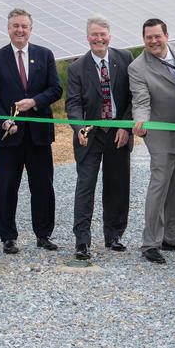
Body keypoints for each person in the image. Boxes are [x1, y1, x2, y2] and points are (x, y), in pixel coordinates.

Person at [0, 8, 63, 254]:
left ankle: (44, 235)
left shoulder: (45, 54)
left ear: (31, 29)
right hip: (9, 135)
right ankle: (8, 237)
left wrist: (35, 101)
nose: (20, 30)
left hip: (39, 135)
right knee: (7, 187)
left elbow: (56, 89)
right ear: (8, 28)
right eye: (15, 26)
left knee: (42, 187)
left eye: (24, 26)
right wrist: (4, 120)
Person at [65, 15, 134, 261]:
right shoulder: (76, 68)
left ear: (109, 36)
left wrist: (126, 127)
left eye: (103, 34)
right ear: (87, 38)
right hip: (90, 134)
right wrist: (79, 127)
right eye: (94, 35)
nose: (99, 39)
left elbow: (132, 97)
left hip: (118, 131)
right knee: (85, 187)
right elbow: (72, 104)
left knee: (117, 186)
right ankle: (82, 241)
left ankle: (114, 235)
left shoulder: (125, 59)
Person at [129, 18, 175, 264]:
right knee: (159, 186)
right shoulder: (137, 67)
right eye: (148, 37)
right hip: (160, 134)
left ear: (167, 35)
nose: (153, 41)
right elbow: (141, 101)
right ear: (144, 39)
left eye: (157, 36)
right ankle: (151, 243)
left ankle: (173, 236)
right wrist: (141, 122)